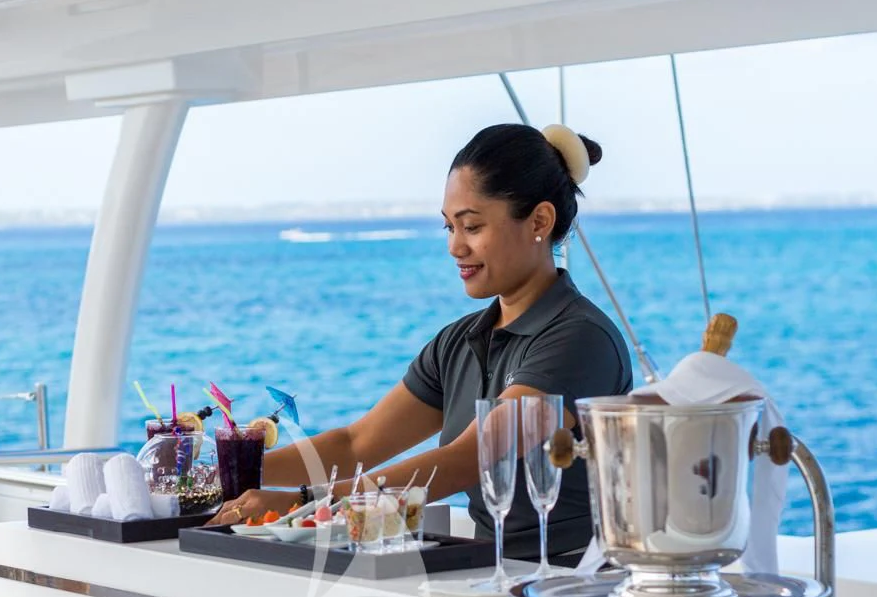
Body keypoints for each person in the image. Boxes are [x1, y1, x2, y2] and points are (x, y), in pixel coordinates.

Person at [211, 122, 632, 556]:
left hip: (568, 581)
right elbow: (356, 444)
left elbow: (468, 458)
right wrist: (222, 476)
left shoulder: (580, 340)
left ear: (540, 221)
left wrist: (305, 503)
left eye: (472, 227)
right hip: (483, 573)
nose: (454, 247)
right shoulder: (459, 341)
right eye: (449, 227)